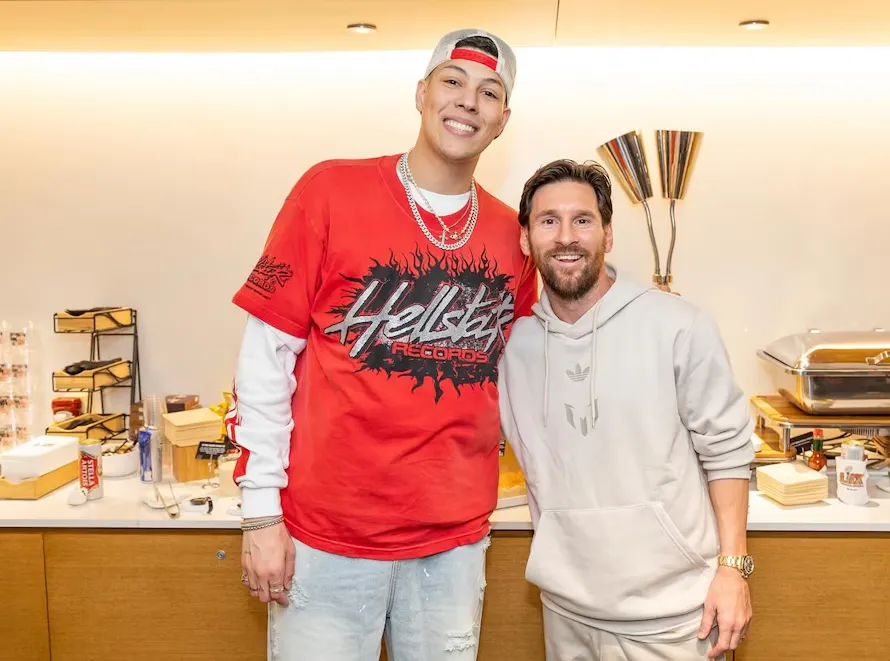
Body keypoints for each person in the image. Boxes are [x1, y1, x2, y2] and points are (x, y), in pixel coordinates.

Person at [225, 29, 538, 661]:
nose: (468, 102)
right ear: (421, 94)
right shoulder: (329, 191)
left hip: (452, 543)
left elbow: (531, 371)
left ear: (503, 120)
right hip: (327, 535)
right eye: (452, 82)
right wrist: (261, 511)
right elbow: (266, 357)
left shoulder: (513, 234)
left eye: (489, 92)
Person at [497, 159, 755, 661]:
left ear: (608, 234)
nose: (566, 236)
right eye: (548, 221)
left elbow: (728, 452)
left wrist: (733, 567)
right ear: (526, 240)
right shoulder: (514, 346)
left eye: (583, 220)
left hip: (677, 619)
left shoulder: (678, 325)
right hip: (566, 612)